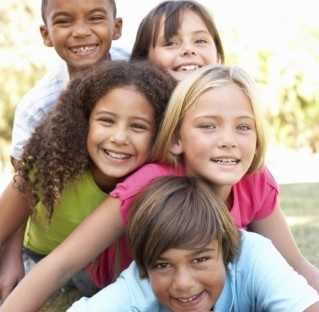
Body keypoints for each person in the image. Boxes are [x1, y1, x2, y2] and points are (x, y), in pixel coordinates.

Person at [2, 0, 318, 308]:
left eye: (243, 128)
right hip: (120, 281)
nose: (227, 141)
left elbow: (295, 264)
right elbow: (58, 257)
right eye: (207, 126)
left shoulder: (254, 181)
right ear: (175, 138)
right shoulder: (148, 177)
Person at [0, 60, 175, 310]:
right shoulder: (52, 161)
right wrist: (11, 258)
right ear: (85, 121)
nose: (118, 138)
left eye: (138, 126)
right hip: (40, 261)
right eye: (106, 121)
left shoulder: (151, 182)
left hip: (102, 277)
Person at [0, 0, 127, 300]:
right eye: (64, 21)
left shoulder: (136, 71)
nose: (81, 32)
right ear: (46, 34)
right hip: (53, 240)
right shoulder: (38, 107)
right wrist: (10, 257)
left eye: (95, 18)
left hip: (116, 235)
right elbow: (22, 186)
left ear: (116, 27)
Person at [67, 176, 319, 312]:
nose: (184, 283)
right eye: (164, 265)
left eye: (200, 260)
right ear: (145, 266)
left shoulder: (253, 256)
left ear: (226, 251)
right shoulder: (141, 284)